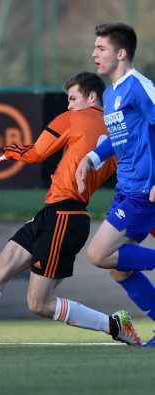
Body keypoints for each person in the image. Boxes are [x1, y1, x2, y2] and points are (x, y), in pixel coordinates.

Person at [0, 71, 142, 349]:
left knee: (39, 303)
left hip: (64, 217)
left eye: (73, 98)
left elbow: (37, 153)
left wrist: (9, 151)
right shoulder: (120, 133)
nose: (68, 105)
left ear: (92, 97)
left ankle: (114, 325)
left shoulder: (75, 118)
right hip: (58, 213)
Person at [75, 22, 155, 347]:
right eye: (95, 48)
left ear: (121, 53)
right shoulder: (110, 94)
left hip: (142, 191)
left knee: (98, 254)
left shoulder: (138, 86)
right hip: (126, 190)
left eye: (101, 48)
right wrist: (92, 158)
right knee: (118, 269)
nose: (95, 54)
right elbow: (117, 135)